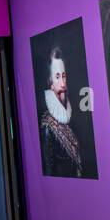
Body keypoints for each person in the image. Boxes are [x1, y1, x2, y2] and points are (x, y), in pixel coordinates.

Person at [40, 46, 85, 177]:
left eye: (64, 76)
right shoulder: (48, 126)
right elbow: (49, 172)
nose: (63, 84)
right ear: (50, 82)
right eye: (57, 77)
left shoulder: (73, 116)